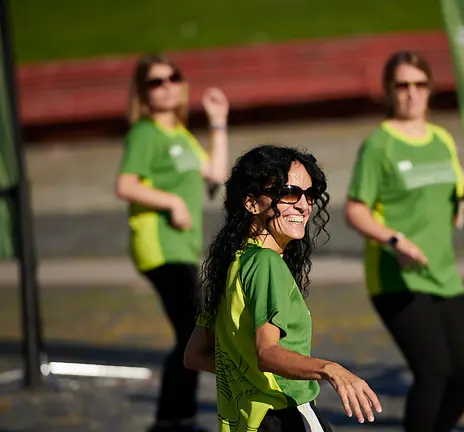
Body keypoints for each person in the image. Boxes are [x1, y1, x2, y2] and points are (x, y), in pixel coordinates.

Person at [184, 145, 382, 431]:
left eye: (309, 194)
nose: (303, 205)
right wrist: (329, 369)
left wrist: (246, 375)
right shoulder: (266, 264)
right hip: (285, 416)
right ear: (252, 203)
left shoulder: (234, 263)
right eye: (289, 193)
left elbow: (195, 354)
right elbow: (267, 352)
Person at [345, 51, 464, 432]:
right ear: (390, 91)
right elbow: (355, 209)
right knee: (434, 370)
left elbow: (458, 199)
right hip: (395, 274)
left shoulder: (442, 139)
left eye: (419, 85)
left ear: (430, 90)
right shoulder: (379, 145)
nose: (411, 93)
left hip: (442, 271)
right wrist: (393, 239)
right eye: (402, 85)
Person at [115, 53, 230, 432]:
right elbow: (126, 185)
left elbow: (215, 172)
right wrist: (172, 201)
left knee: (196, 330)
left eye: (172, 78)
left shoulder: (178, 134)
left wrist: (217, 123)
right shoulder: (145, 133)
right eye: (155, 82)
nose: (166, 86)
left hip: (180, 247)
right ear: (143, 94)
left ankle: (178, 417)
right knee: (193, 331)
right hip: (158, 246)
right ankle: (172, 419)